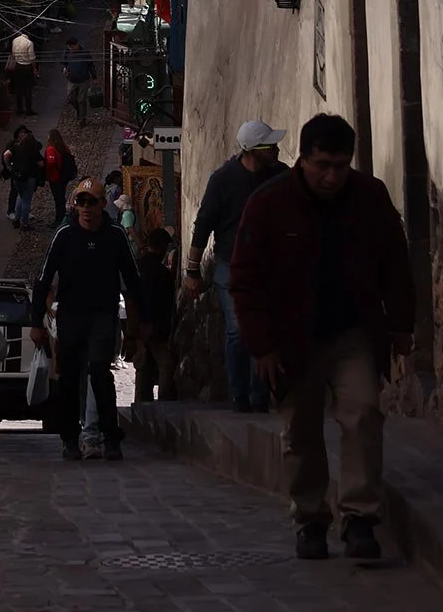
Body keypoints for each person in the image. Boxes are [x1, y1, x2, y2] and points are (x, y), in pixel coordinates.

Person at [228, 111, 415, 565]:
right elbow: (246, 281)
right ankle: (310, 517)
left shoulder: (370, 197)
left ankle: (360, 518)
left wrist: (401, 325)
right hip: (293, 341)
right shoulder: (269, 204)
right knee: (301, 431)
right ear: (303, 160)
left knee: (363, 415)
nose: (332, 176)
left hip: (353, 332)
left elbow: (396, 262)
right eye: (323, 165)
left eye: (341, 166)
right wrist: (262, 346)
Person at [31, 178, 148, 461]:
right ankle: (70, 438)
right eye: (80, 202)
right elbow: (44, 278)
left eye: (91, 202)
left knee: (99, 369)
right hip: (71, 315)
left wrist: (137, 327)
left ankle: (110, 437)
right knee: (70, 376)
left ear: (102, 204)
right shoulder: (64, 235)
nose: (85, 208)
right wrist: (36, 322)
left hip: (102, 315)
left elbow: (133, 282)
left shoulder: (115, 235)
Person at [183, 117, 286, 411]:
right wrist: (192, 269)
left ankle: (260, 396)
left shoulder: (281, 177)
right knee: (239, 329)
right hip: (231, 266)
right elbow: (203, 225)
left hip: (270, 266)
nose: (276, 149)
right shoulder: (223, 180)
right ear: (252, 150)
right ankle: (240, 394)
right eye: (269, 146)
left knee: (265, 328)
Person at [133, 227, 179, 402]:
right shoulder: (162, 273)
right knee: (165, 365)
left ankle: (140, 405)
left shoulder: (137, 266)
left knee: (143, 368)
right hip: (155, 327)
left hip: (139, 325)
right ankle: (162, 403)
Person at [2, 126, 45, 228]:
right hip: (29, 177)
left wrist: (9, 167)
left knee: (20, 197)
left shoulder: (16, 147)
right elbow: (41, 164)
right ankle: (24, 223)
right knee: (26, 200)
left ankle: (16, 219)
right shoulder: (34, 151)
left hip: (17, 177)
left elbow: (6, 155)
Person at [43, 128, 79, 226]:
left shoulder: (51, 148)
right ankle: (62, 216)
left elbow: (51, 162)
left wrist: (47, 172)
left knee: (58, 198)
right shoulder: (64, 147)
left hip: (55, 177)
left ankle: (59, 219)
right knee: (61, 197)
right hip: (64, 176)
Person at [5, 26, 38, 114]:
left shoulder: (15, 40)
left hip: (17, 66)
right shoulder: (29, 43)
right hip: (27, 67)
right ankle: (28, 109)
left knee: (18, 88)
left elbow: (13, 54)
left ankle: (19, 109)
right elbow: (32, 58)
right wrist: (35, 69)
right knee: (28, 89)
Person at [63, 37, 96, 125]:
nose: (71, 49)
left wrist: (94, 76)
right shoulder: (67, 52)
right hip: (72, 80)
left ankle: (82, 119)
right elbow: (63, 62)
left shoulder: (85, 53)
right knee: (70, 98)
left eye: (72, 47)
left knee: (82, 100)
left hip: (83, 80)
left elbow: (91, 65)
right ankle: (79, 111)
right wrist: (64, 68)